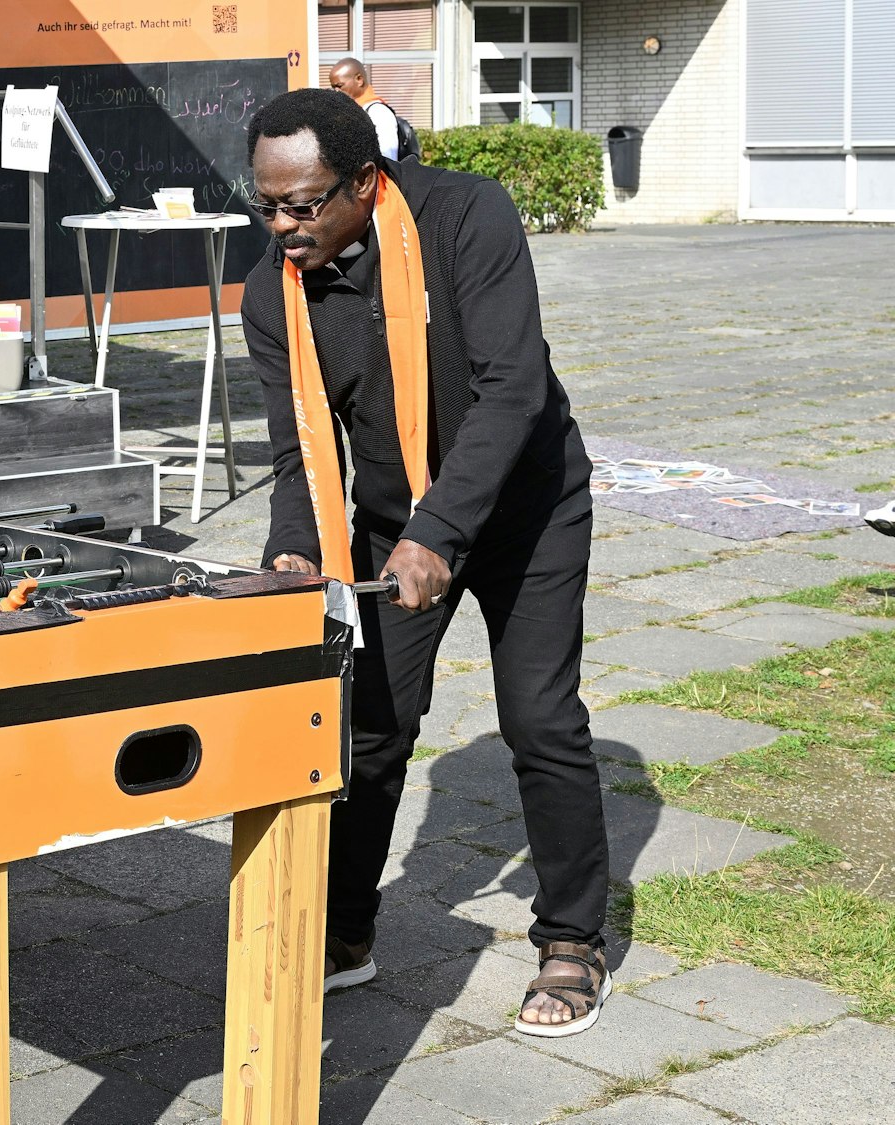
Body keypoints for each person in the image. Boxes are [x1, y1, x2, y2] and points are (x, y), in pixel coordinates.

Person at [238, 88, 613, 1037]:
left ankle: (572, 939)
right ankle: (346, 935)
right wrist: (295, 552)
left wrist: (440, 530)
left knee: (540, 719)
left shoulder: (465, 217)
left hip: (526, 504)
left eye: (304, 203)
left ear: (365, 182)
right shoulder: (269, 294)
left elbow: (512, 384)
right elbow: (299, 452)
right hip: (391, 514)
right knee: (368, 727)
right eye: (266, 204)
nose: (283, 226)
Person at [329, 58, 404, 163]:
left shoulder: (378, 113)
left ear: (359, 79)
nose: (336, 92)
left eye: (340, 86)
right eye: (333, 87)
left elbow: (388, 161)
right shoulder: (348, 112)